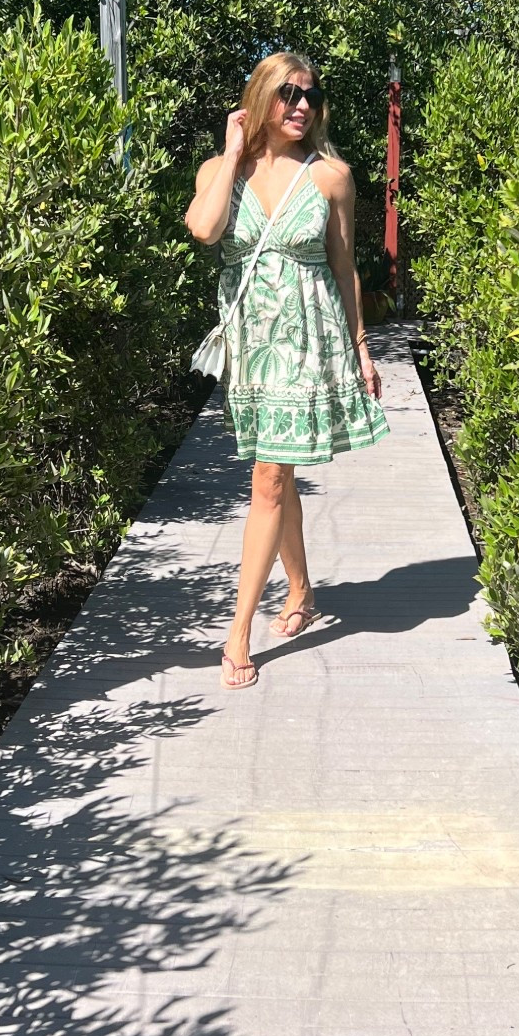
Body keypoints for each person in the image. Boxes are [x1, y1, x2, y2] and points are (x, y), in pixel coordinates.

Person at [184, 52, 389, 688]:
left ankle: (238, 632)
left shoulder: (331, 176)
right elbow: (204, 228)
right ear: (263, 98)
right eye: (288, 95)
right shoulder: (222, 171)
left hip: (305, 344)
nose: (301, 106)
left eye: (310, 96)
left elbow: (344, 264)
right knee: (280, 471)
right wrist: (232, 148)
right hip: (250, 345)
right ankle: (300, 589)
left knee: (270, 476)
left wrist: (360, 345)